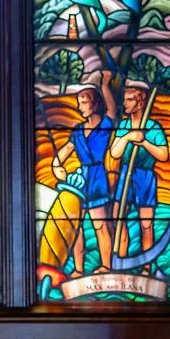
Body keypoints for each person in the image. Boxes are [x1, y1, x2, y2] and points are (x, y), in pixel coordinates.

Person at [51, 84, 116, 273]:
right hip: (79, 182)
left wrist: (105, 84)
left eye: (84, 103)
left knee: (100, 225)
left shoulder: (104, 126)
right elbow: (64, 154)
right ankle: (78, 269)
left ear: (95, 104)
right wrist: (57, 167)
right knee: (76, 229)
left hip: (97, 179)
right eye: (79, 103)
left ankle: (106, 266)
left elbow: (112, 109)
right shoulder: (78, 130)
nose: (80, 107)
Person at [109, 82, 169, 270]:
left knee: (146, 224)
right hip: (126, 174)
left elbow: (164, 155)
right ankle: (120, 259)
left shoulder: (153, 127)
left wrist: (144, 143)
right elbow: (115, 153)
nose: (125, 104)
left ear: (141, 102)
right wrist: (128, 137)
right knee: (118, 217)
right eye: (124, 99)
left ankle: (147, 267)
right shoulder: (124, 126)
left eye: (129, 100)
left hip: (145, 176)